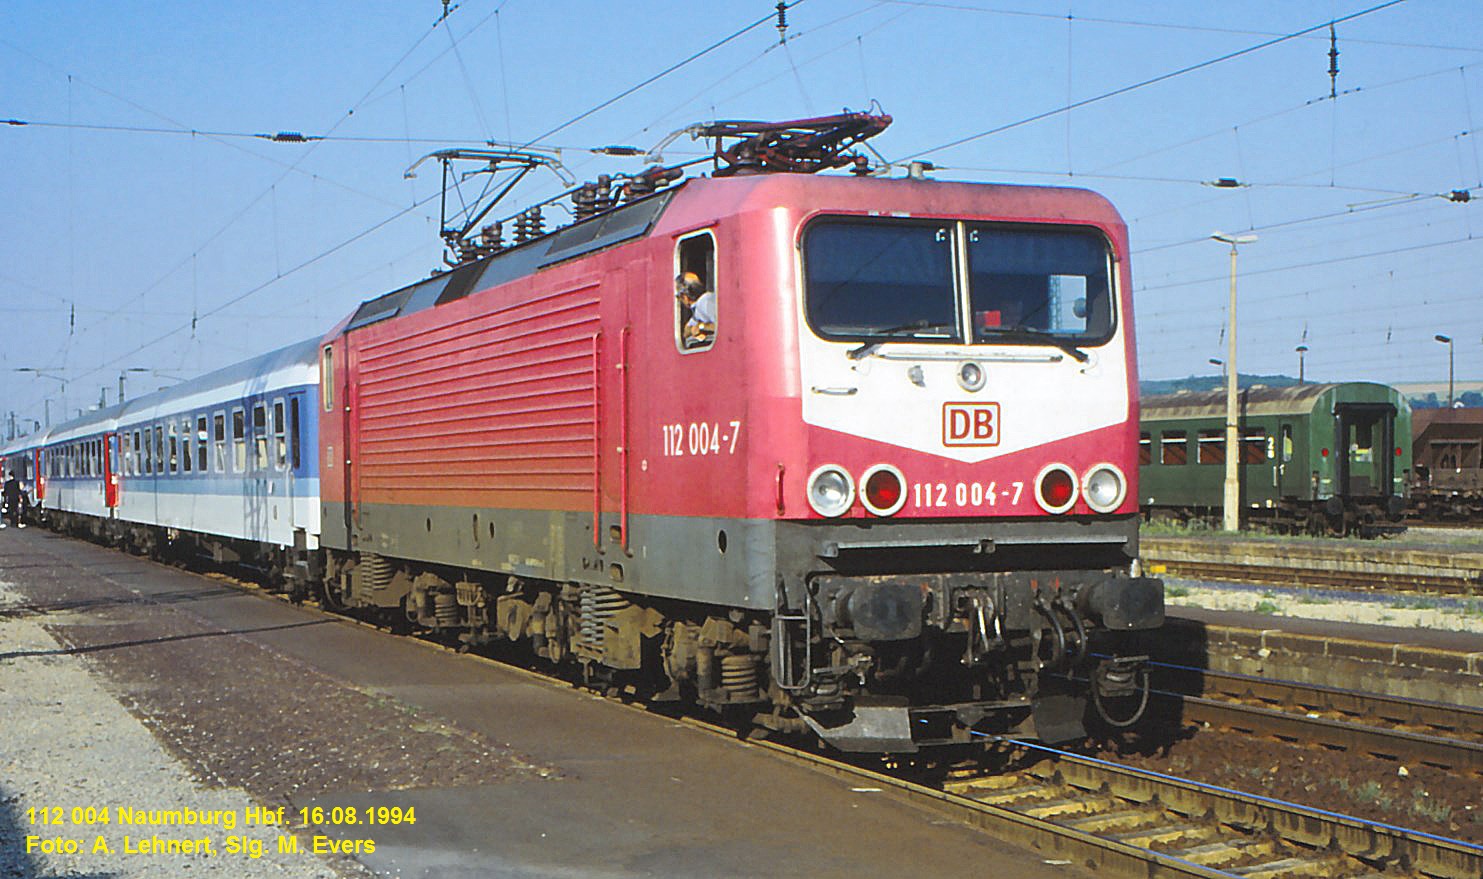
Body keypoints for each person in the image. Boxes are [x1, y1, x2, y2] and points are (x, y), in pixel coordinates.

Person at [675, 271, 716, 348]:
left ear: (684, 296)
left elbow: (722, 326)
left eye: (678, 297)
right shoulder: (697, 308)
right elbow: (686, 332)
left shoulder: (706, 302)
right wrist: (693, 329)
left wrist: (701, 327)